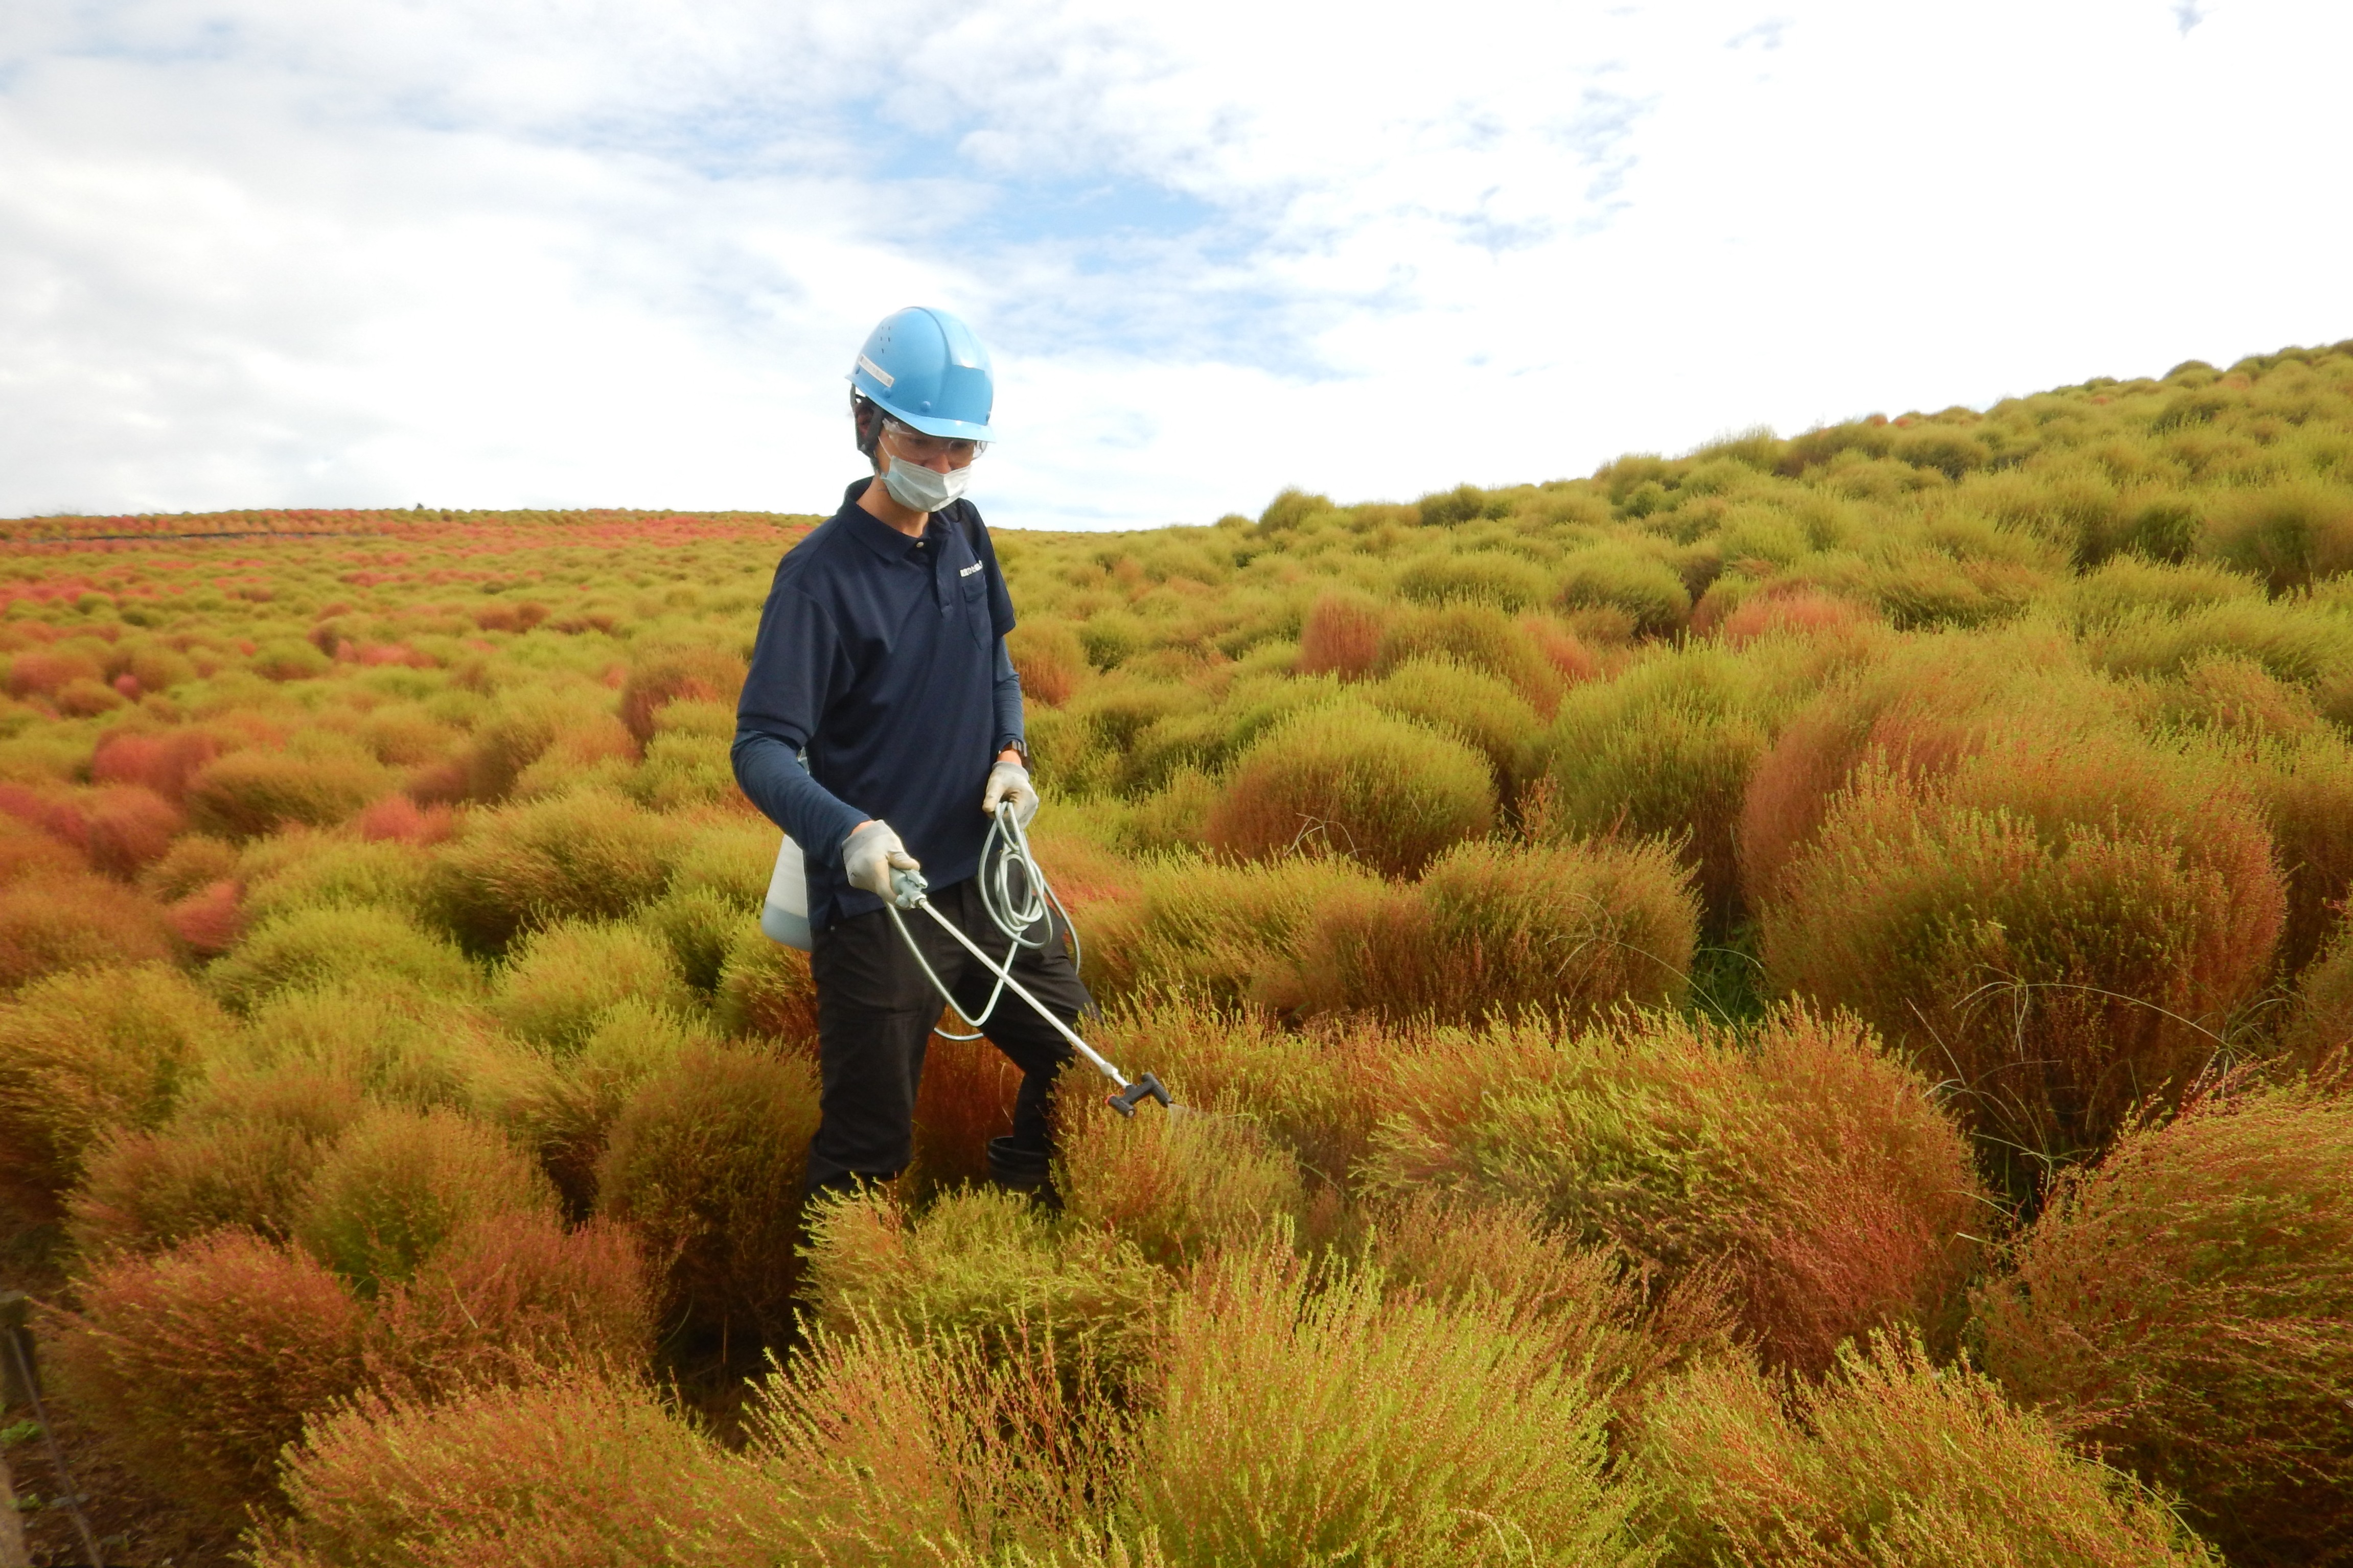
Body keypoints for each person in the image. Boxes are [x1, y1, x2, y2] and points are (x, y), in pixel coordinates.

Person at [732, 306, 1089, 1203]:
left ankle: (1025, 1189)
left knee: (1077, 1062)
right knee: (867, 1151)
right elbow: (762, 749)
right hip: (885, 909)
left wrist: (1011, 754)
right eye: (921, 443)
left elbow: (996, 663)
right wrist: (849, 833)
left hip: (990, 883)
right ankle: (838, 1318)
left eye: (961, 451)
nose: (940, 470)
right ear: (866, 424)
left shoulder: (966, 536)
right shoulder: (817, 580)